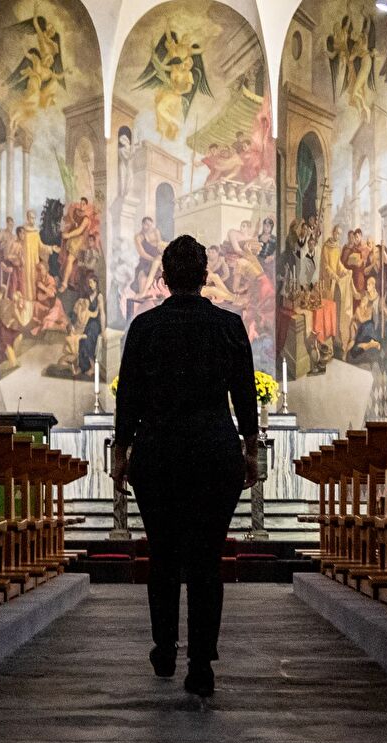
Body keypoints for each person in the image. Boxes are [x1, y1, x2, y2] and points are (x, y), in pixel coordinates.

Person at [112, 235, 261, 697]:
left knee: (162, 555)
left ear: (164, 277)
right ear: (203, 276)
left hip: (158, 454)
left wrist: (121, 453)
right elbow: (244, 396)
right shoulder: (229, 325)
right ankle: (201, 664)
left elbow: (129, 398)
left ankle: (163, 648)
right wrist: (250, 450)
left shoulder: (144, 328)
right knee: (206, 560)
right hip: (215, 453)